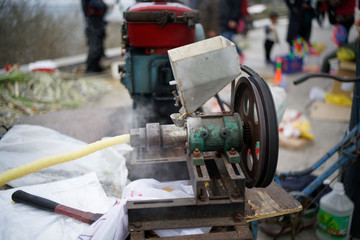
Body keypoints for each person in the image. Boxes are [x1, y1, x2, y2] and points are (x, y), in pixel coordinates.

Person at [81, 0, 108, 73]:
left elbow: (104, 7)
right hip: (93, 25)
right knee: (95, 49)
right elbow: (100, 5)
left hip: (99, 24)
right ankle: (90, 69)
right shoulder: (90, 2)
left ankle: (96, 67)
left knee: (99, 49)